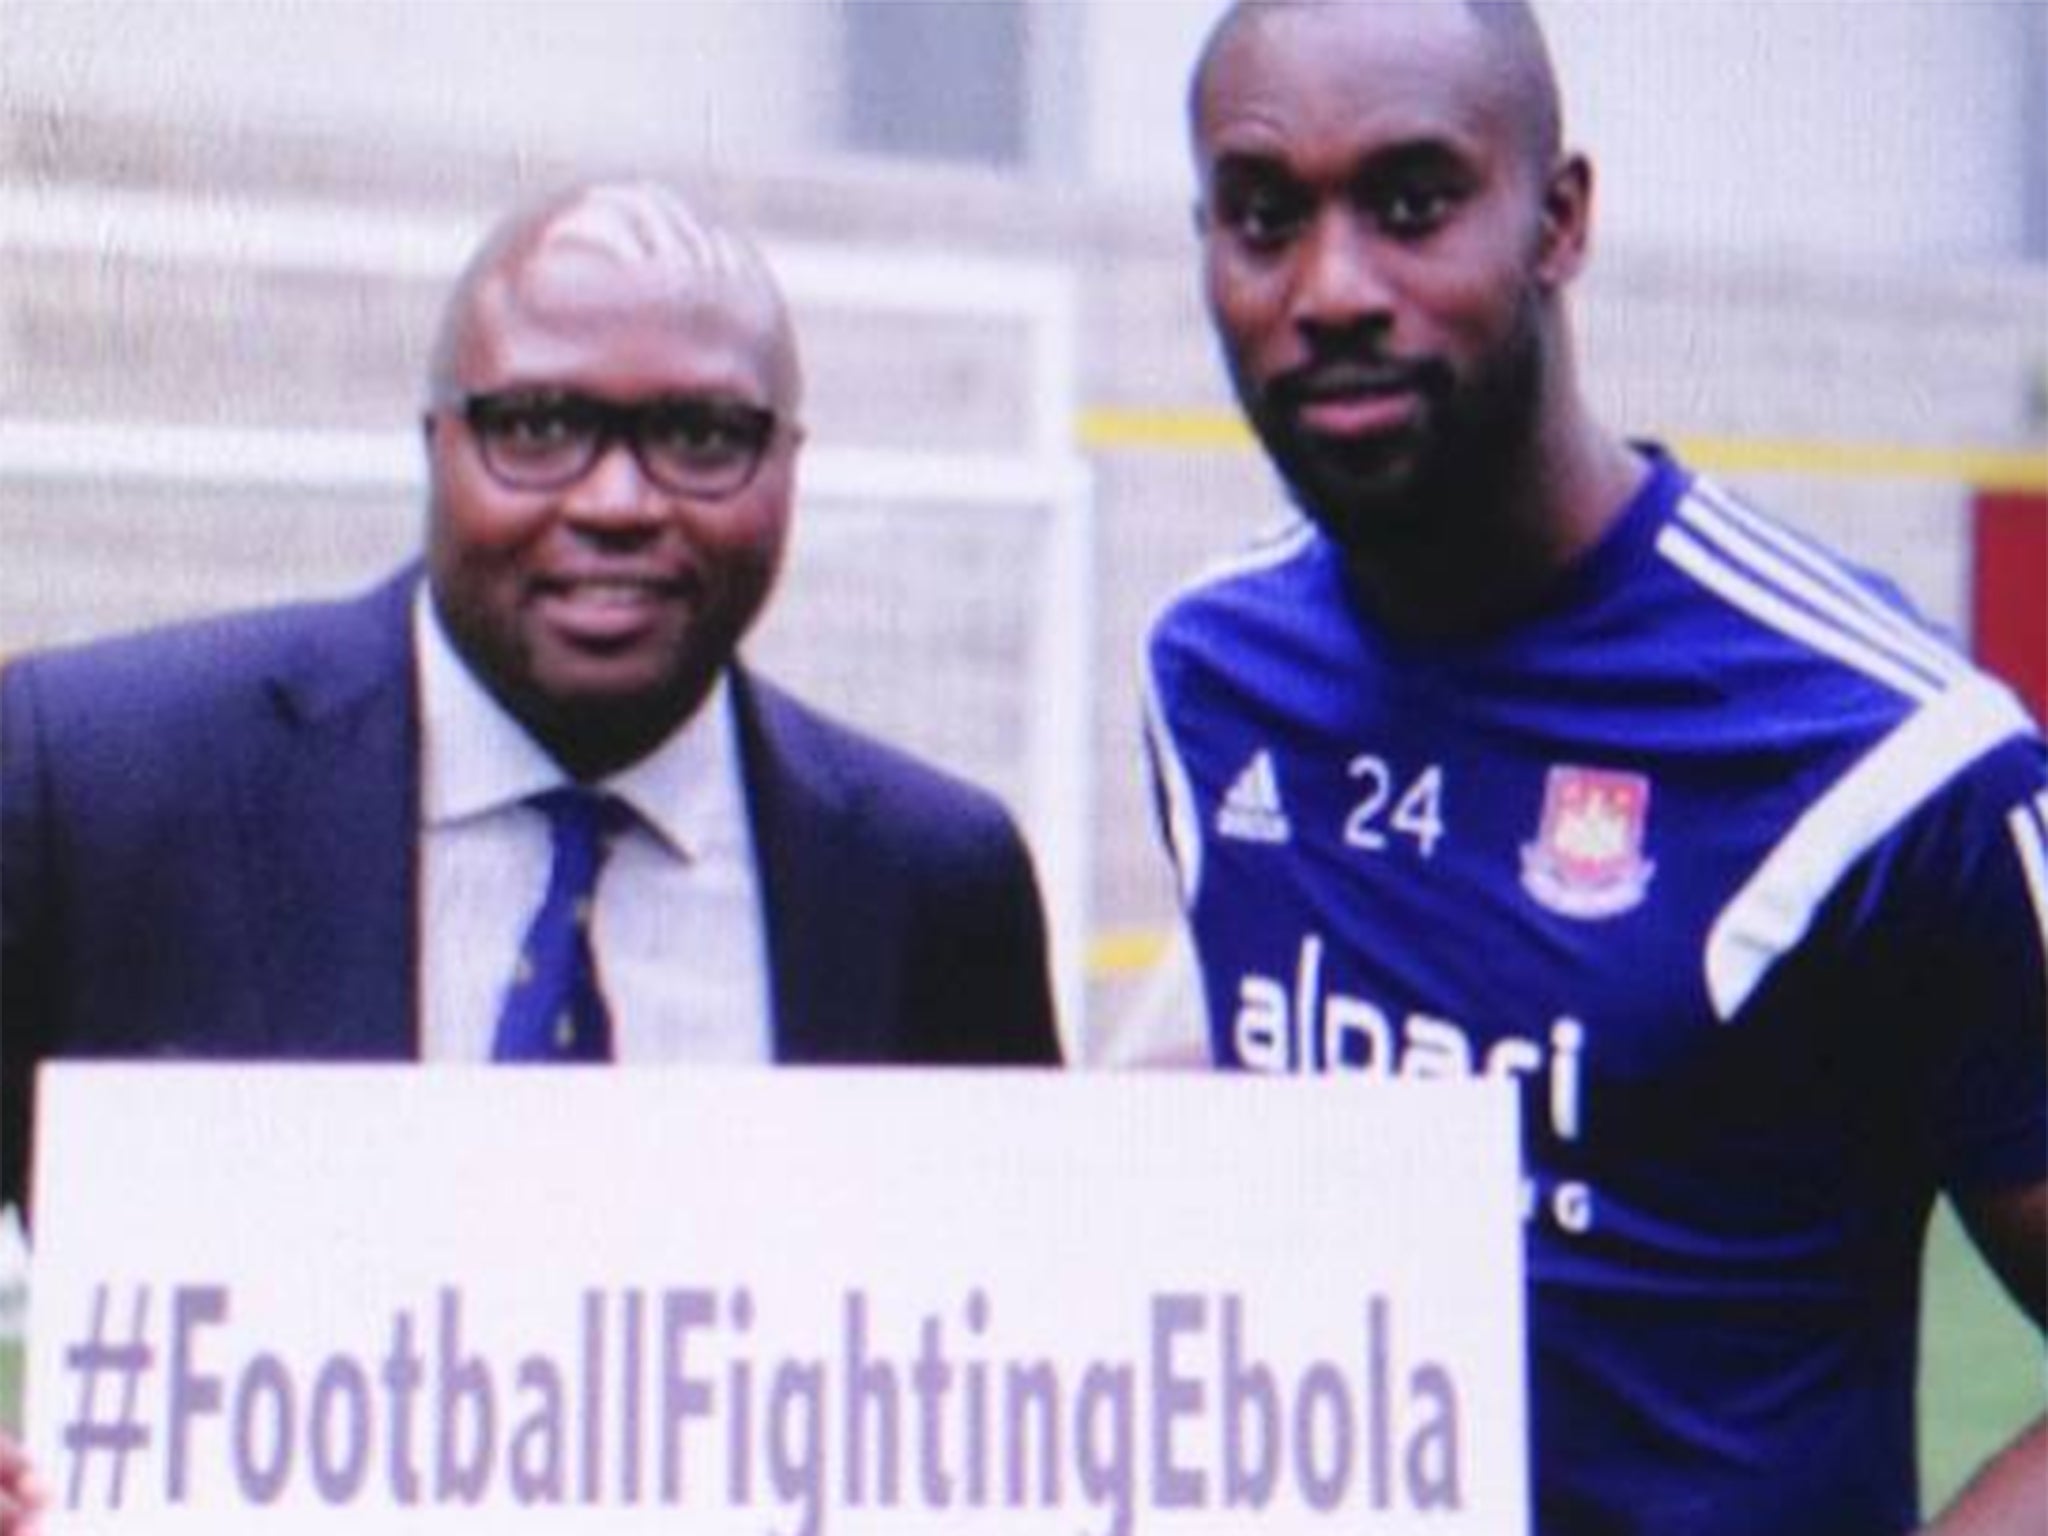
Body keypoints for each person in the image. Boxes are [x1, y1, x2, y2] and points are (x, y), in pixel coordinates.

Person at [1136, 3, 2047, 1533]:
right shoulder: (1208, 676)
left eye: (1414, 204)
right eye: (1264, 217)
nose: (1333, 286)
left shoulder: (1882, 752)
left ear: (1558, 220)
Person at [1, 178, 1060, 1198]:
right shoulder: (92, 790)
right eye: (538, 427)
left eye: (699, 437)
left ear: (789, 465)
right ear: (437, 446)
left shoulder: (933, 886)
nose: (616, 500)